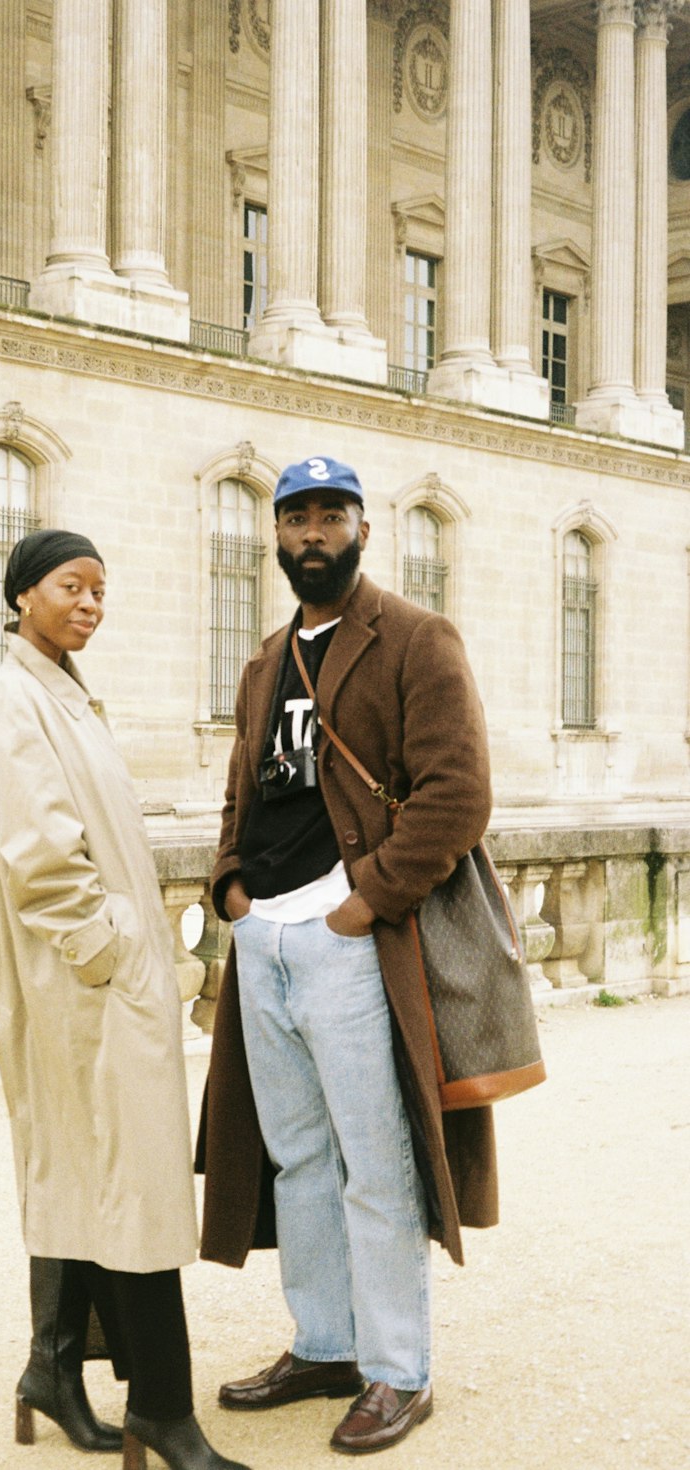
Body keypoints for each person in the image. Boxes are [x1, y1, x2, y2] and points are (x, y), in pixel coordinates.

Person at [197, 457, 499, 1455]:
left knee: (375, 1163)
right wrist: (230, 885)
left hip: (349, 938)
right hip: (266, 936)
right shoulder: (261, 663)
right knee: (299, 1158)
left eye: (331, 516)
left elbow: (457, 794)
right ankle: (325, 1343)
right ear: (275, 537)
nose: (313, 535)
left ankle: (397, 1371)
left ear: (363, 530)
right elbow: (244, 790)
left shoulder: (416, 639)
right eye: (296, 520)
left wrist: (366, 903)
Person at [0, 529, 249, 1470]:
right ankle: (161, 1410)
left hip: (99, 983)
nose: (90, 603)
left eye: (100, 589)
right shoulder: (20, 697)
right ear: (22, 596)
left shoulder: (60, 692)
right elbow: (42, 854)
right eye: (70, 586)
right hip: (87, 984)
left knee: (90, 1174)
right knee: (130, 1188)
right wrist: (107, 952)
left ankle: (55, 1371)